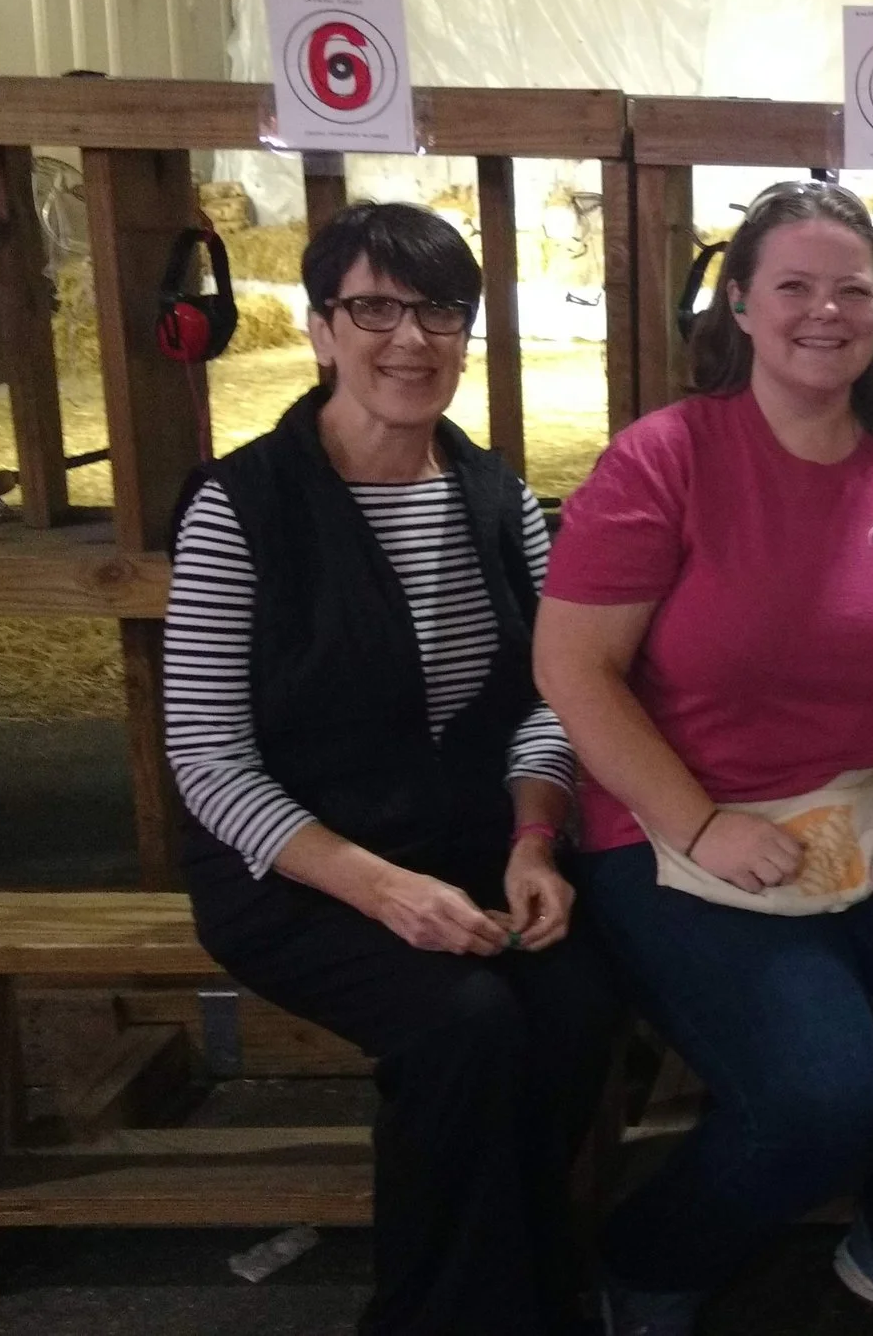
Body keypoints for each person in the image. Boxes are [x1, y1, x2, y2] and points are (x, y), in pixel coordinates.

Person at [532, 180, 873, 1336]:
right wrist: (700, 820)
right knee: (820, 1099)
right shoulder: (660, 460)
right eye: (795, 287)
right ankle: (649, 1260)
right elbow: (575, 670)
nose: (827, 311)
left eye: (853, 289)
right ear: (739, 303)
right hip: (686, 823)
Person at [166, 201, 619, 1336]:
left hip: (468, 844)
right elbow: (210, 758)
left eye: (438, 312)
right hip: (292, 866)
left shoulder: (497, 495)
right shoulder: (240, 506)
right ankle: (461, 1310)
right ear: (321, 330)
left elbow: (548, 697)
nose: (409, 339)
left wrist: (533, 838)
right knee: (464, 1025)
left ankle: (504, 1293)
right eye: (374, 308)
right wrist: (381, 886)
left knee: (577, 1001)